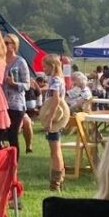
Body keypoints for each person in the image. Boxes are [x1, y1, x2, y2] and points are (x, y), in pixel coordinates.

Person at [0, 33, 30, 153]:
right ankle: (2, 161)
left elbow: (27, 85)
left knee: (12, 135)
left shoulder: (20, 62)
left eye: (7, 43)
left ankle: (13, 165)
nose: (3, 45)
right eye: (2, 43)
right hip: (0, 103)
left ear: (14, 45)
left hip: (16, 104)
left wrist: (14, 83)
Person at [41, 54, 68, 191]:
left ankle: (56, 182)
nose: (43, 68)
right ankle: (59, 179)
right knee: (56, 150)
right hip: (56, 118)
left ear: (52, 66)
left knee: (55, 150)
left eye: (45, 66)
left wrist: (49, 120)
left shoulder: (55, 80)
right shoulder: (56, 79)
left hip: (55, 118)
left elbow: (56, 100)